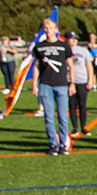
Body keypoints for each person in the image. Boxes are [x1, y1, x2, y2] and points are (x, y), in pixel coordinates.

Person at [31, 18, 75, 155]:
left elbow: (70, 65)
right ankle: (52, 144)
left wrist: (72, 83)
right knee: (49, 116)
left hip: (61, 84)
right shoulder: (39, 47)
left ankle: (63, 143)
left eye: (51, 28)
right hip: (45, 84)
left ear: (56, 30)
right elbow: (36, 66)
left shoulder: (64, 46)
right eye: (46, 28)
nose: (48, 30)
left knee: (62, 116)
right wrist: (34, 84)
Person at [66, 31, 95, 139]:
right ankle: (75, 127)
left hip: (82, 80)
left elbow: (89, 65)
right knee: (72, 105)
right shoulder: (65, 50)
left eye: (75, 39)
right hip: (69, 81)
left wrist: (90, 80)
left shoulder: (83, 50)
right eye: (71, 38)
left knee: (82, 105)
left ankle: (83, 126)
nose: (73, 41)